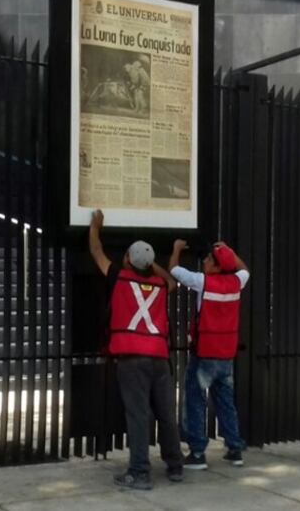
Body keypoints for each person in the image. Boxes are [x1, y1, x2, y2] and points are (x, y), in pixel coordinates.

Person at [88, 209, 184, 490]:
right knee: (166, 413)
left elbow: (96, 251)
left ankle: (140, 472)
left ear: (128, 259)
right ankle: (175, 466)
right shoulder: (159, 284)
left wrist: (95, 226)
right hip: (159, 357)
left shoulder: (119, 278)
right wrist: (152, 264)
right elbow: (173, 281)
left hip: (131, 358)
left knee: (139, 415)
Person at [169, 239, 250, 469]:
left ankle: (197, 453)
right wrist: (230, 252)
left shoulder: (202, 282)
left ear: (215, 266)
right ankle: (234, 449)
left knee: (195, 400)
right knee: (225, 402)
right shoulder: (236, 282)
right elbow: (244, 270)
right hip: (225, 355)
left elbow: (174, 270)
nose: (204, 261)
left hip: (204, 354)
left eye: (208, 259)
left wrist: (176, 249)